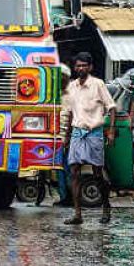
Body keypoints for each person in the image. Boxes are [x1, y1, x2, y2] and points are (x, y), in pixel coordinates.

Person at [62, 52, 116, 225]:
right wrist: (66, 136)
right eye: (78, 65)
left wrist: (112, 130)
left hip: (94, 133)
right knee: (75, 172)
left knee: (97, 174)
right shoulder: (71, 87)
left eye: (84, 65)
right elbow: (70, 112)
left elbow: (112, 107)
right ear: (74, 67)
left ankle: (106, 206)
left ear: (90, 67)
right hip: (77, 133)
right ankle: (77, 214)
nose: (81, 68)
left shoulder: (98, 84)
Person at [53, 64, 73, 207]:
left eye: (63, 77)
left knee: (64, 169)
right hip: (55, 137)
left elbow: (73, 117)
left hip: (67, 136)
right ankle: (65, 196)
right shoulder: (52, 94)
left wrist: (67, 137)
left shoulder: (72, 94)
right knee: (60, 168)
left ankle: (68, 197)